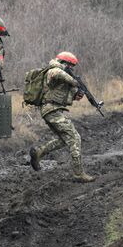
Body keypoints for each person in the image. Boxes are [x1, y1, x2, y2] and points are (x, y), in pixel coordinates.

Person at [29, 52, 95, 183]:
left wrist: (76, 95)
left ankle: (39, 153)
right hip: (51, 110)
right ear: (64, 63)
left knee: (65, 139)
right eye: (70, 66)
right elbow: (59, 75)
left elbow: (62, 94)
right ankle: (78, 174)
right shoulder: (54, 70)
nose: (71, 69)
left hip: (53, 110)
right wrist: (75, 82)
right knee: (75, 138)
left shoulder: (62, 75)